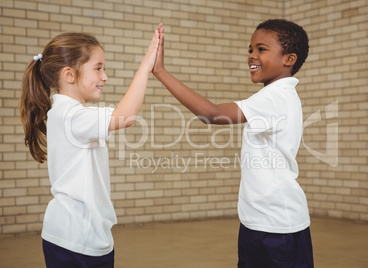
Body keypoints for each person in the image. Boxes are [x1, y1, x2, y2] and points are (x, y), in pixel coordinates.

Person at [153, 19, 313, 267]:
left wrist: (161, 71)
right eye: (250, 49)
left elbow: (212, 114)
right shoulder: (274, 95)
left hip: (276, 226)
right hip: (259, 221)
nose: (252, 55)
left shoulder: (277, 96)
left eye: (261, 49)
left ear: (289, 59)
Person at [20, 26, 160, 267]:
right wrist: (146, 65)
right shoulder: (70, 116)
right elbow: (125, 116)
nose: (104, 77)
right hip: (76, 239)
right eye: (98, 68)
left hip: (79, 235)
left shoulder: (70, 113)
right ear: (69, 74)